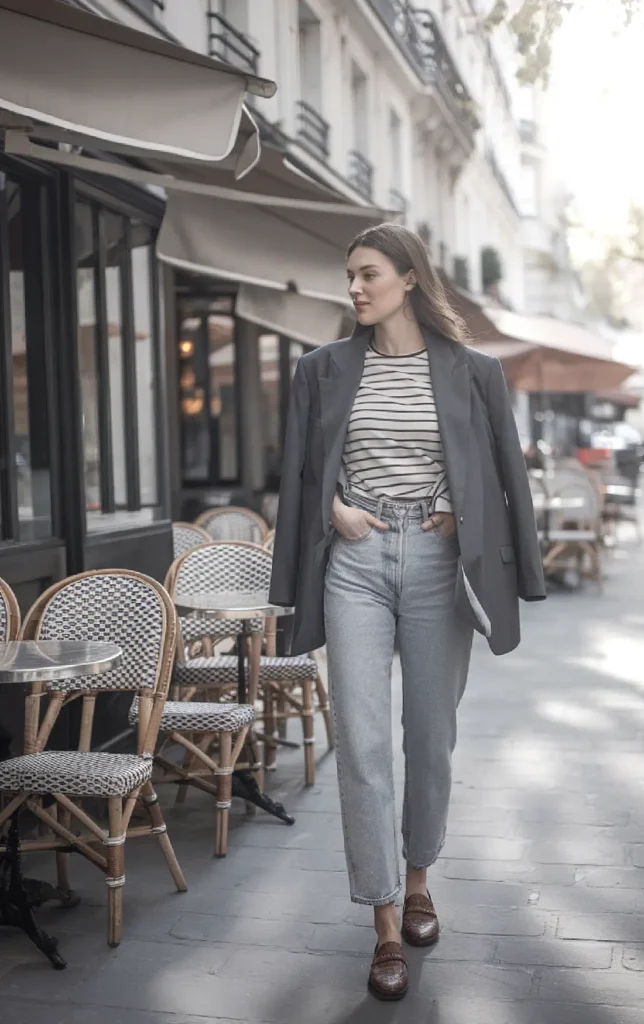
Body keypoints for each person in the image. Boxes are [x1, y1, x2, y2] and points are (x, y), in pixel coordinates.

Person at [269, 223, 545, 1001]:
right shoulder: (319, 369)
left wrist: (467, 512)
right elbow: (296, 468)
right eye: (350, 276)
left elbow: (502, 473)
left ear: (409, 279)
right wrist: (334, 510)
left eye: (368, 275)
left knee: (430, 735)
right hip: (353, 559)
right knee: (359, 745)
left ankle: (419, 878)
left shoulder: (474, 371)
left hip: (435, 562)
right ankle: (385, 920)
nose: (354, 288)